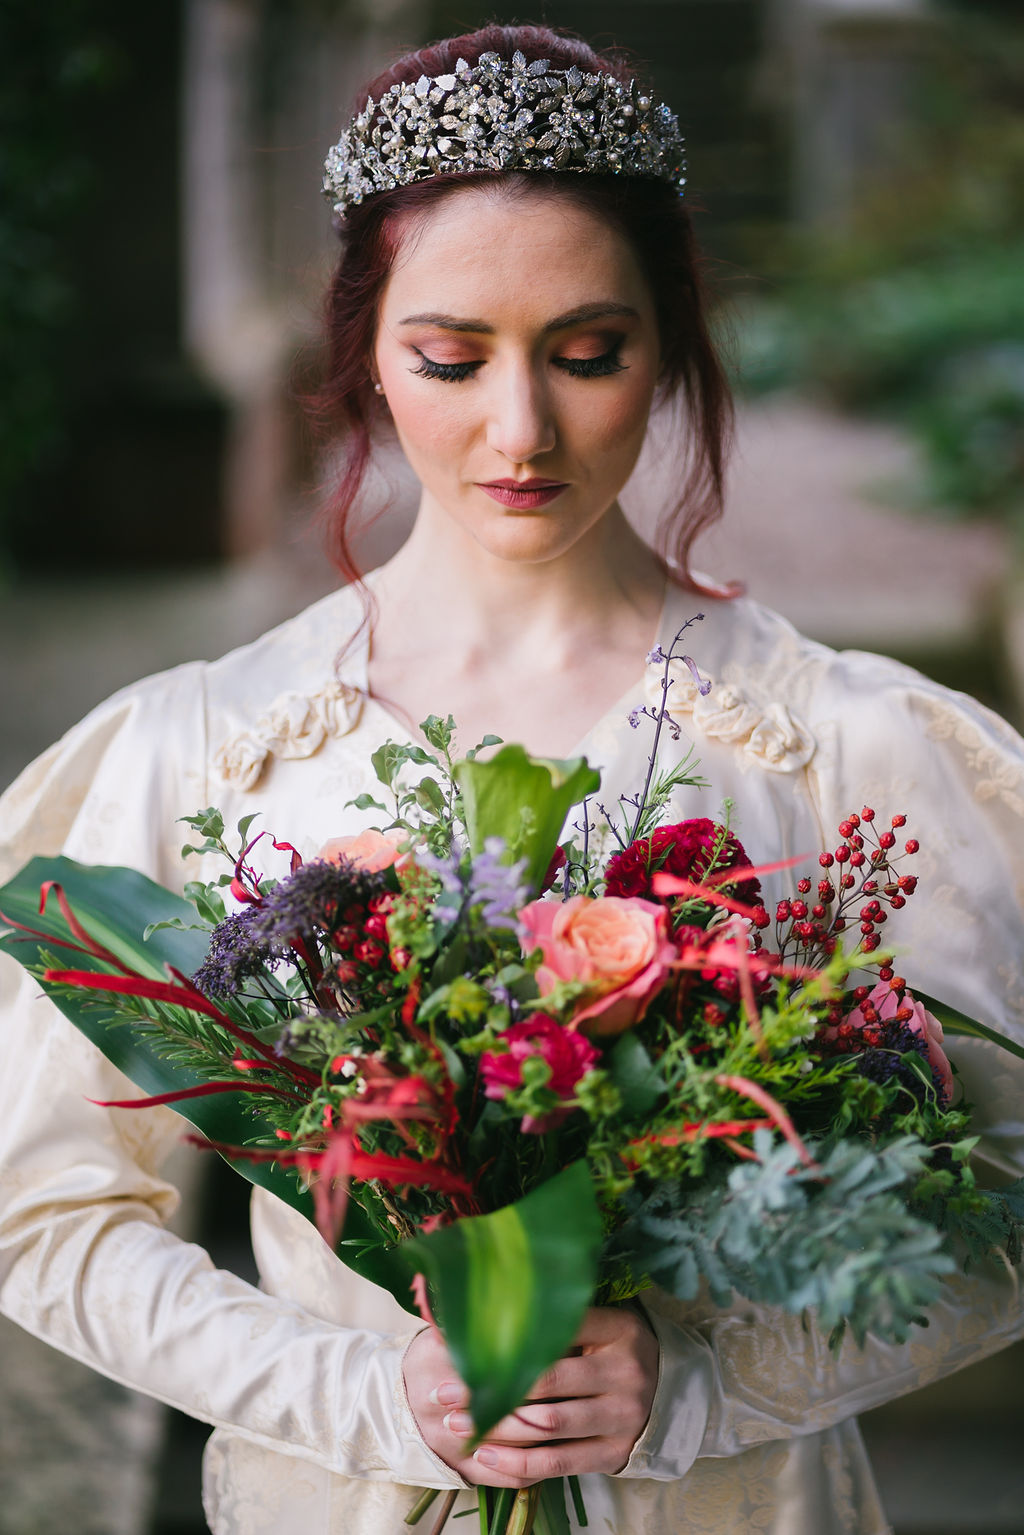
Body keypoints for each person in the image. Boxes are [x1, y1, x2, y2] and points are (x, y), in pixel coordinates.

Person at [1, 21, 1023, 1535]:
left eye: (589, 354)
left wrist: (696, 1385)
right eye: (451, 358)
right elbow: (49, 1219)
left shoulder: (849, 747)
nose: (521, 428)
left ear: (667, 344)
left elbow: (1002, 1199)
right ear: (365, 354)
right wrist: (371, 1398)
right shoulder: (201, 748)